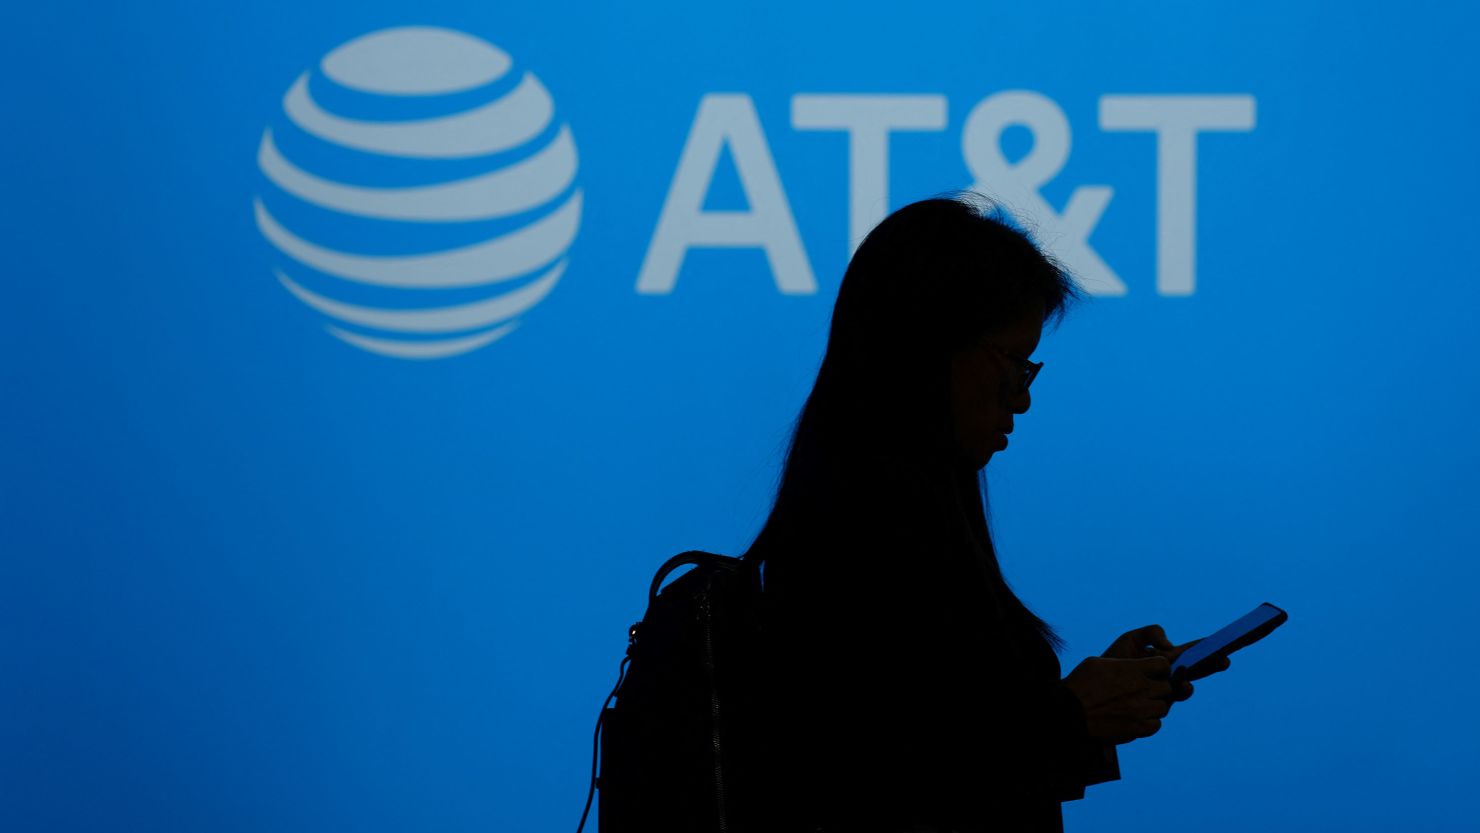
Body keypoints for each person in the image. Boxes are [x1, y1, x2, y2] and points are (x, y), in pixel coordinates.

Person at [739, 194, 1229, 833]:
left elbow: (947, 734)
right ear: (927, 348)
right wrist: (1070, 715)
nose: (1021, 400)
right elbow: (881, 779)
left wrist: (1079, 707)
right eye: (1009, 363)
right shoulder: (874, 521)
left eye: (1031, 367)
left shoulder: (879, 496)